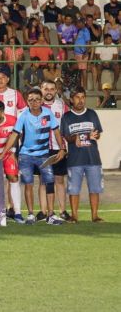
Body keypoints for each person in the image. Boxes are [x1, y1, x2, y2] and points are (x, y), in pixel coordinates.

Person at [0, 89, 66, 225]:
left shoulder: (48, 113)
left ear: (41, 101)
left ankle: (51, 215)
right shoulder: (23, 115)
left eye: (36, 99)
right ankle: (30, 214)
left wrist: (62, 148)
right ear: (27, 102)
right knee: (28, 184)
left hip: (44, 155)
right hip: (26, 155)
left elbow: (57, 132)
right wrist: (4, 152)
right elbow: (15, 135)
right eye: (31, 100)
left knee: (49, 182)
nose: (34, 102)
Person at [60, 87, 105, 223]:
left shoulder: (92, 114)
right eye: (77, 97)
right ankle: (74, 216)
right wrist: (83, 135)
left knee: (95, 188)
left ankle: (95, 216)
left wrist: (93, 135)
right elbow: (67, 138)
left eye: (83, 97)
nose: (80, 100)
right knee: (73, 190)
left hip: (93, 159)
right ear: (72, 100)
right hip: (75, 160)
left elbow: (97, 135)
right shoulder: (67, 117)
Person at [41, 80, 70, 221]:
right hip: (42, 150)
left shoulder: (62, 106)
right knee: (44, 181)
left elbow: (66, 128)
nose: (49, 91)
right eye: (46, 88)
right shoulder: (36, 106)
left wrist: (63, 149)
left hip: (58, 149)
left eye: (52, 89)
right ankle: (46, 212)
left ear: (55, 91)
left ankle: (62, 211)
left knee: (59, 179)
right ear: (41, 90)